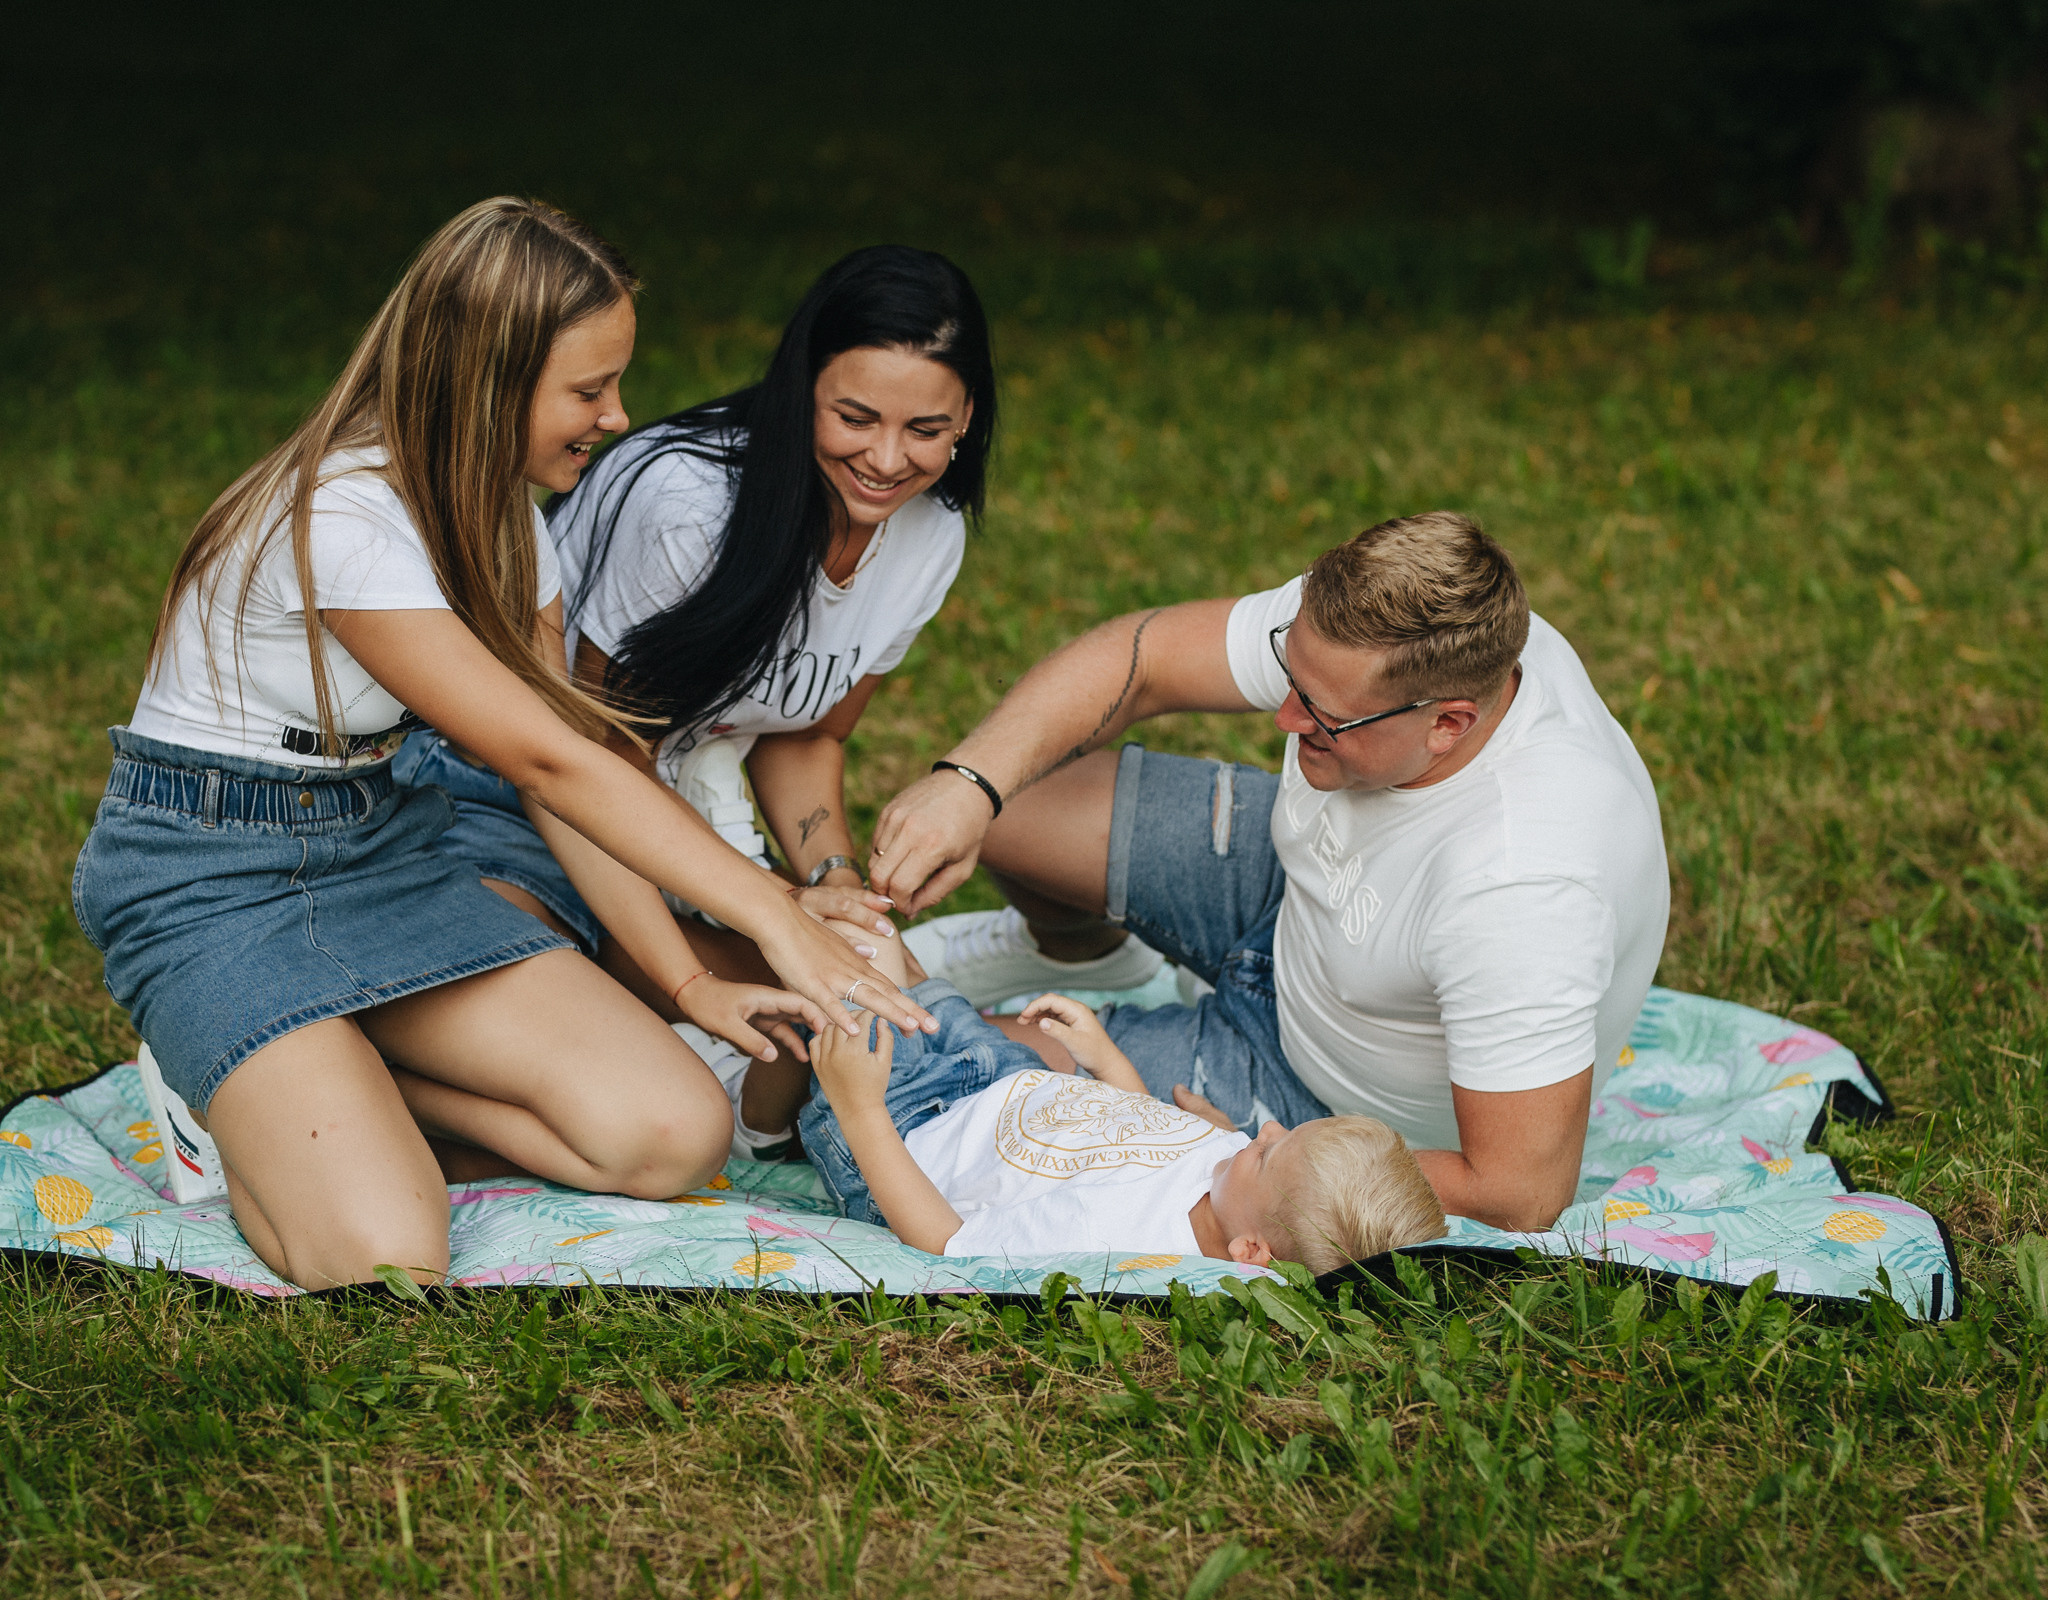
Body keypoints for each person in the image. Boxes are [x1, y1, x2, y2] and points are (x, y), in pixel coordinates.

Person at [72, 198, 932, 1290]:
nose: (618, 417)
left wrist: (684, 980)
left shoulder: (506, 524)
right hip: (211, 875)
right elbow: (550, 762)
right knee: (383, 1257)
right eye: (588, 389)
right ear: (485, 381)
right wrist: (776, 920)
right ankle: (241, 1104)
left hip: (377, 848)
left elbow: (567, 775)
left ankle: (322, 1085)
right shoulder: (344, 517)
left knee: (673, 1133)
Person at [872, 512, 1670, 1232]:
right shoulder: (1407, 629)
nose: (1285, 720)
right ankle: (1077, 952)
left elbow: (1518, 1193)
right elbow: (1144, 656)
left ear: (1449, 723)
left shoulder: (1523, 887)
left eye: (1321, 716)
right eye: (1288, 676)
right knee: (1010, 786)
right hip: (1293, 893)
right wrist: (969, 783)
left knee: (914, 1080)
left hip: (1317, 1094)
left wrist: (1268, 1163)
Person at [391, 244, 997, 1154]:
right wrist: (764, 907)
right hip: (516, 813)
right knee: (626, 1100)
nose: (885, 459)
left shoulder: (930, 532)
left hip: (682, 850)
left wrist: (829, 884)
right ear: (803, 393)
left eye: (924, 430)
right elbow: (586, 755)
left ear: (966, 421)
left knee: (860, 1007)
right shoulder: (688, 503)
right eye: (856, 417)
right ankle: (323, 1075)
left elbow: (806, 735)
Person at [800, 933, 1446, 1268]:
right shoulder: (1233, 1188)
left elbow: (947, 1243)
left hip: (907, 1130)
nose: (1269, 1128)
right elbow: (1139, 1138)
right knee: (883, 952)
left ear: (1250, 1254)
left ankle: (758, 1092)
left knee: (838, 956)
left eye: (1269, 1155)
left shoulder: (1113, 1237)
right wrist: (1104, 1058)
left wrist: (860, 1111)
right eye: (1289, 1132)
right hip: (998, 1078)